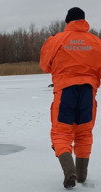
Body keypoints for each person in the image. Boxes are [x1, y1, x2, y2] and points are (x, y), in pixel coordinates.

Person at [39, 7, 101, 188]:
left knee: (61, 133)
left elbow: (45, 66)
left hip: (66, 91)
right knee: (84, 133)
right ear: (84, 21)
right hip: (88, 93)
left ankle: (69, 172)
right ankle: (81, 175)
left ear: (68, 21)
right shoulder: (96, 42)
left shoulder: (56, 40)